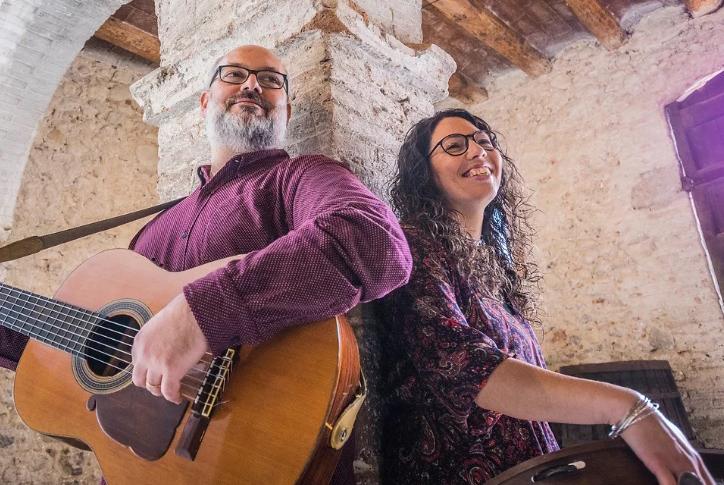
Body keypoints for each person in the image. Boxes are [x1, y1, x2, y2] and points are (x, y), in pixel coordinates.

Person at [0, 44, 413, 483]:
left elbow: (376, 243)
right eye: (233, 74)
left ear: (287, 111)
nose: (252, 85)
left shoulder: (299, 176)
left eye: (270, 80)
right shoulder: (153, 230)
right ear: (204, 101)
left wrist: (201, 314)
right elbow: (78, 355)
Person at [377, 108, 714, 485]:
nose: (477, 151)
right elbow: (464, 366)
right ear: (424, 172)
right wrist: (630, 407)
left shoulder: (491, 267)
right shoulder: (413, 246)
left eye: (485, 142)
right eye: (455, 146)